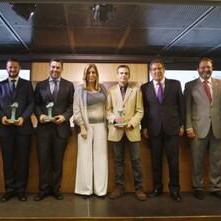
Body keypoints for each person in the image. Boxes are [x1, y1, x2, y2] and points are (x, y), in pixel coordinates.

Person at [184, 57, 221, 201]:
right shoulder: (189, 85)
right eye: (203, 67)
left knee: (216, 160)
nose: (206, 69)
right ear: (198, 69)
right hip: (197, 129)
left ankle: (215, 187)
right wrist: (188, 126)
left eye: (208, 67)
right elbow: (186, 109)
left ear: (212, 68)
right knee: (197, 160)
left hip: (217, 128)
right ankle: (198, 187)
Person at [140, 58, 184, 202]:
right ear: (150, 72)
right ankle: (157, 188)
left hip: (172, 129)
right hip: (154, 130)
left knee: (173, 162)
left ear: (164, 69)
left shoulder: (175, 84)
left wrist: (182, 125)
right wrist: (144, 126)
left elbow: (181, 106)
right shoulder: (144, 87)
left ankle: (175, 190)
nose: (157, 71)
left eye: (159, 68)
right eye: (154, 69)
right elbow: (144, 109)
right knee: (156, 162)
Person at [0, 58, 34, 202]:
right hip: (5, 129)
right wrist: (2, 118)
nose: (12, 70)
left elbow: (31, 104)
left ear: (19, 68)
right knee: (8, 161)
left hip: (23, 128)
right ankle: (9, 190)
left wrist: (23, 117)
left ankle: (21, 190)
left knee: (23, 161)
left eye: (15, 67)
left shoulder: (27, 85)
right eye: (10, 67)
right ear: (6, 68)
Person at [34, 58, 74, 201]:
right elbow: (36, 104)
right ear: (48, 67)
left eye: (58, 67)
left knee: (58, 162)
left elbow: (71, 106)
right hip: (44, 129)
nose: (55, 70)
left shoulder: (69, 85)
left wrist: (65, 117)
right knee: (43, 161)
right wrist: (40, 115)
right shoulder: (40, 85)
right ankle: (43, 190)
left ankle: (56, 189)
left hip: (61, 129)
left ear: (62, 69)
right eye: (53, 67)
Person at [106, 64, 146, 201]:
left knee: (136, 160)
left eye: (126, 73)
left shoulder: (136, 90)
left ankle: (139, 188)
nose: (123, 75)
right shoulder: (110, 91)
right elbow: (107, 111)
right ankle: (119, 187)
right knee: (118, 161)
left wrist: (131, 123)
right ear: (117, 75)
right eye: (121, 73)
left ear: (129, 75)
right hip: (116, 131)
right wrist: (114, 120)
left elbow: (140, 111)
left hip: (132, 130)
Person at [73, 64, 108, 198]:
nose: (91, 75)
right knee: (85, 158)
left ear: (97, 74)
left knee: (101, 158)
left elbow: (107, 106)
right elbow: (76, 110)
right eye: (89, 73)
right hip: (86, 128)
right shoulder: (79, 90)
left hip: (101, 127)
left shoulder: (103, 88)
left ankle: (100, 190)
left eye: (93, 72)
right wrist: (82, 126)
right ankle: (85, 189)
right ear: (85, 74)